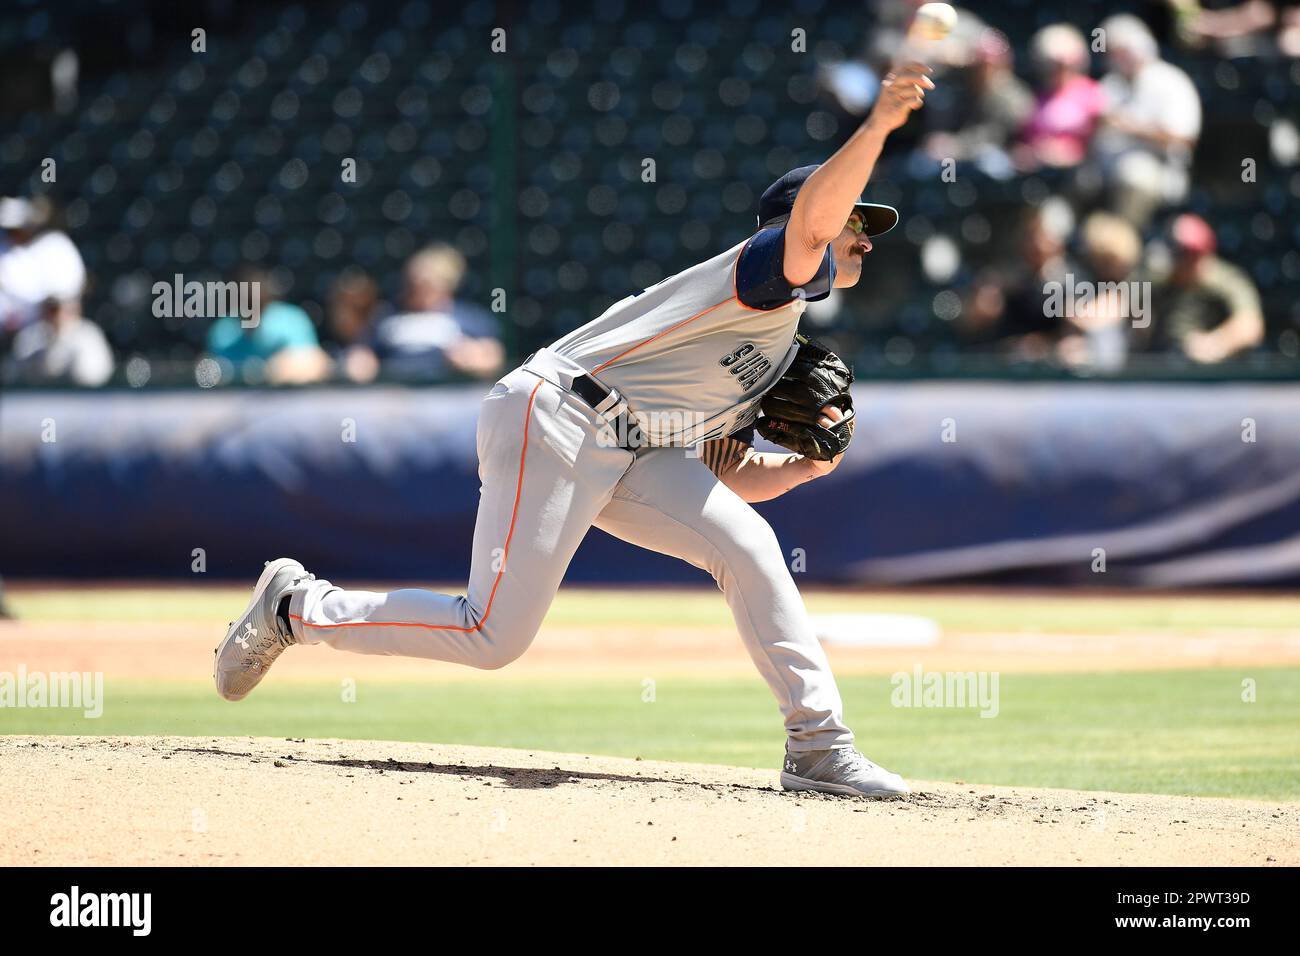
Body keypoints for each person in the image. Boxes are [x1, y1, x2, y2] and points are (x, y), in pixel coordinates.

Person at [214, 62, 942, 799]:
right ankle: (294, 605)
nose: (865, 239)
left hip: (629, 445)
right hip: (557, 414)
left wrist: (797, 471)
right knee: (493, 635)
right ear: (804, 224)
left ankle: (818, 746)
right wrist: (879, 124)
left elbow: (722, 470)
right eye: (857, 222)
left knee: (747, 544)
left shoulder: (777, 354)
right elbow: (815, 222)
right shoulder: (757, 279)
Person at [1093, 14, 1202, 228]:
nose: (1114, 58)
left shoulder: (1171, 80)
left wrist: (1131, 128)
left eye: (1120, 51)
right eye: (1111, 52)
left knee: (1133, 174)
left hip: (1158, 170)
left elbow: (1183, 140)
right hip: (1103, 170)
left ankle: (1119, 247)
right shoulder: (1109, 85)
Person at [1142, 213, 1265, 362]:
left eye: (1180, 256)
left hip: (1206, 372)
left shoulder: (1225, 280)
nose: (1175, 263)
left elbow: (1250, 326)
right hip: (1160, 364)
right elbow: (1120, 300)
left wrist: (1215, 343)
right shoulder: (1161, 275)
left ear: (1197, 257)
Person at [372, 244, 504, 381]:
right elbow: (365, 353)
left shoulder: (470, 318)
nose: (419, 291)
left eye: (427, 286)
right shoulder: (388, 316)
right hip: (395, 394)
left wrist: (471, 359)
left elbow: (493, 357)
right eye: (413, 284)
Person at [205, 266, 330, 384]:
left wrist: (276, 370)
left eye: (254, 303)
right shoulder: (222, 331)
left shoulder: (292, 321)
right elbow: (210, 371)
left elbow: (315, 363)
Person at [1018, 24, 1106, 170]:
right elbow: (1029, 140)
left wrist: (1072, 152)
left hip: (1084, 171)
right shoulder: (1037, 99)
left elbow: (1099, 139)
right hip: (1043, 170)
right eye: (1053, 65)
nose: (1059, 70)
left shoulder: (1092, 93)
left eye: (1065, 64)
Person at [0, 197, 86, 334]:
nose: (14, 234)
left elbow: (65, 295)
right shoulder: (6, 249)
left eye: (17, 229)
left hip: (52, 328)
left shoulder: (54, 245)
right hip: (21, 332)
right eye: (10, 230)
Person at [4, 296, 114, 387]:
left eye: (60, 308)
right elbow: (13, 373)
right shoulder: (30, 335)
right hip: (36, 402)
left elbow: (93, 376)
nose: (57, 314)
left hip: (79, 403)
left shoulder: (89, 335)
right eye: (51, 309)